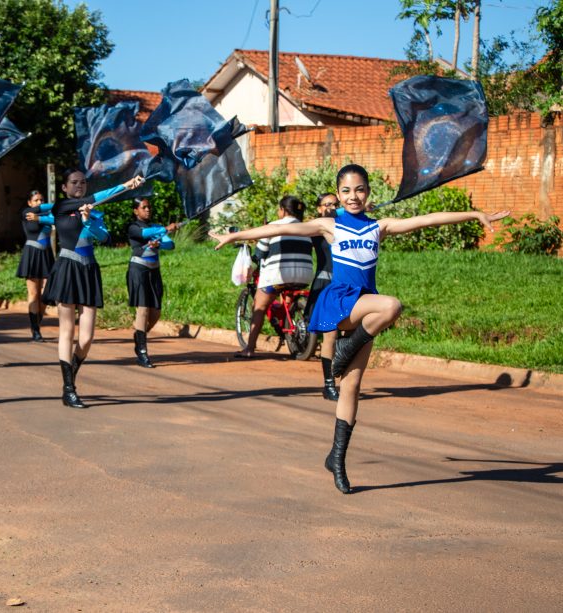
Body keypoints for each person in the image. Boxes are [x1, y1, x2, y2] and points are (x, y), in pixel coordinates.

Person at [211, 163, 508, 494]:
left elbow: (427, 219)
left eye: (360, 190)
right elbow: (279, 230)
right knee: (392, 305)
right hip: (340, 302)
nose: (354, 196)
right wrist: (236, 235)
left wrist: (475, 215)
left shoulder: (379, 226)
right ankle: (340, 352)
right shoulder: (330, 225)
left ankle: (336, 458)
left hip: (367, 311)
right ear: (338, 195)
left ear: (369, 193)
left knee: (351, 387)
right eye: (347, 191)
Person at [42, 169, 145, 408]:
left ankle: (70, 378)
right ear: (65, 188)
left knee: (87, 338)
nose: (79, 186)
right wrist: (126, 185)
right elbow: (95, 198)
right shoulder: (62, 207)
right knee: (67, 331)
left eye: (83, 182)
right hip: (67, 268)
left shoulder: (93, 211)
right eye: (74, 182)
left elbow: (105, 238)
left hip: (88, 271)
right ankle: (69, 389)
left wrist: (88, 220)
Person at [235, 195, 314, 359]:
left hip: (279, 275)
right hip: (304, 276)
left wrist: (256, 257)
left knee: (259, 305)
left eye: (279, 209)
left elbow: (260, 253)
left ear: (283, 210)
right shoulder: (308, 227)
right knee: (285, 295)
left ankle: (249, 348)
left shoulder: (273, 226)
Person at [126, 197, 177, 367]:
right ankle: (142, 351)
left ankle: (140, 335)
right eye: (143, 207)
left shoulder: (155, 227)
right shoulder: (133, 227)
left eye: (149, 207)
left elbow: (170, 245)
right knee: (143, 309)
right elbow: (142, 235)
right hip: (138, 270)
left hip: (154, 271)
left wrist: (159, 243)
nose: (147, 210)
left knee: (156, 312)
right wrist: (164, 230)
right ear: (136, 211)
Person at [305, 193, 341, 401]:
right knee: (331, 335)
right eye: (326, 204)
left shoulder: (345, 225)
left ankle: (344, 377)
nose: (331, 207)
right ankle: (329, 384)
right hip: (326, 285)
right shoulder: (317, 228)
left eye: (334, 204)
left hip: (349, 284)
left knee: (351, 335)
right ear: (319, 208)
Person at [17, 190, 55, 341]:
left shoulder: (48, 215)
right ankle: (35, 330)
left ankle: (36, 322)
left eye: (41, 200)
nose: (39, 202)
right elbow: (33, 226)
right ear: (30, 202)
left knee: (46, 293)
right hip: (32, 254)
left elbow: (57, 219)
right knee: (34, 294)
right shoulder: (27, 213)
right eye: (36, 200)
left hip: (46, 255)